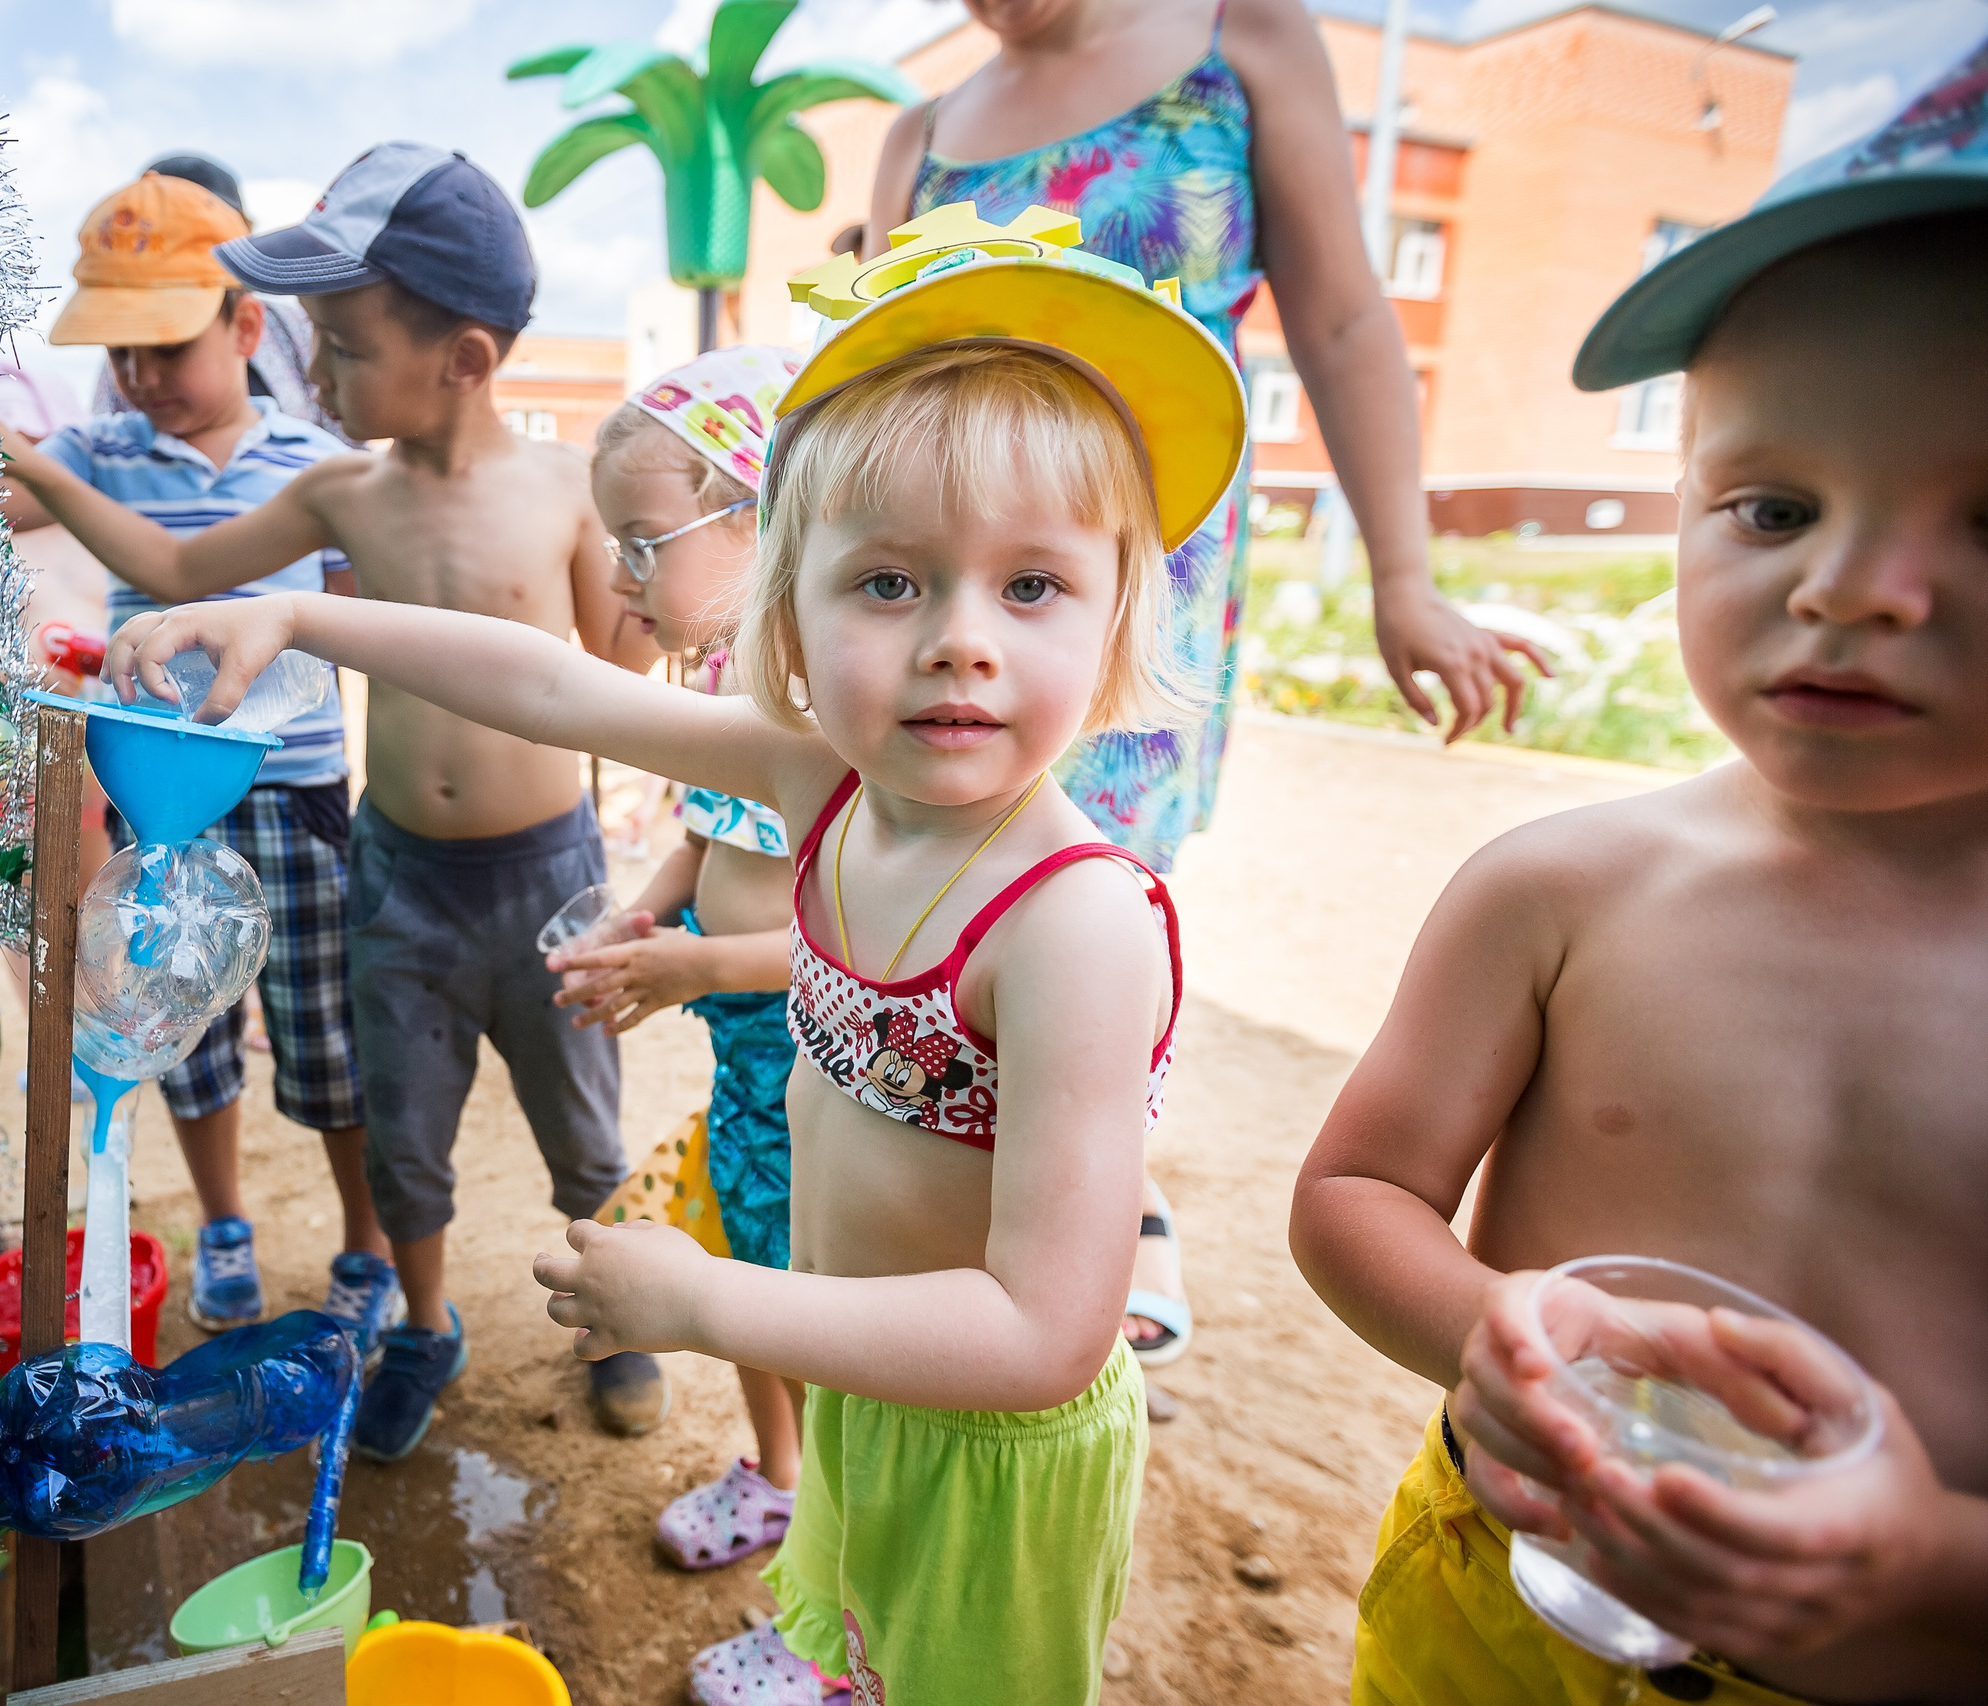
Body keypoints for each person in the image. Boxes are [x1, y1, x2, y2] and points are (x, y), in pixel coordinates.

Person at [108, 206, 1239, 1706]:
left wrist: (705, 1301)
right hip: (865, 1381)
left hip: (991, 1447)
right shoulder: (821, 776)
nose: (959, 640)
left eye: (1030, 586)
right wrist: (307, 610)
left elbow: (1041, 1330)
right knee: (865, 1630)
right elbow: (554, 682)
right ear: (794, 600)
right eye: (888, 580)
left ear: (1113, 626)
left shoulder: (1076, 922)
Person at [1290, 58, 1988, 1704]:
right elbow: (1354, 1198)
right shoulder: (1560, 889)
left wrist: (1925, 1562)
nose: (1851, 588)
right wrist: (1492, 1327)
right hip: (1500, 1606)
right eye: (1774, 503)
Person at [867, 0, 1554, 1363]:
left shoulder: (1239, 44)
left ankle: (1094, 1204)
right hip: (947, 581)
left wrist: (1403, 576)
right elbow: (875, 372)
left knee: (1077, 889)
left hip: (1135, 594)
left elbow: (1352, 319)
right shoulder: (921, 132)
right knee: (938, 865)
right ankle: (984, 1200)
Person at [0, 142, 665, 1458]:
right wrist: (57, 475)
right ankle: (425, 1320)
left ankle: (623, 1310)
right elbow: (183, 561)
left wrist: (660, 559)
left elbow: (626, 656)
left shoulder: (560, 488)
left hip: (550, 872)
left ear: (463, 359)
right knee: (405, 1134)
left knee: (584, 1128)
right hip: (399, 873)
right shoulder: (339, 490)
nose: (321, 373)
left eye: (347, 347)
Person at [0, 170, 399, 1342]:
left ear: (247, 325)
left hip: (298, 796)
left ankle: (363, 1243)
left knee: (328, 1039)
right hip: (161, 805)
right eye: (121, 353)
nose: (143, 378)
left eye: (167, 346)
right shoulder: (103, 448)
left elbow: (362, 599)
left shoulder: (310, 462)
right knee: (186, 1031)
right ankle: (225, 1222)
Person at [544, 347, 808, 1569]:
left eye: (642, 539)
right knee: (756, 1256)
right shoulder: (715, 676)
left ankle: (837, 1528)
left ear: (759, 516)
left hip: (824, 1070)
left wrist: (698, 969)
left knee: (816, 1286)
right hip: (750, 1067)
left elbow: (861, 952)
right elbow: (708, 838)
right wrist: (644, 920)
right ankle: (780, 1474)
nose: (616, 572)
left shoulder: (822, 697)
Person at [90, 152, 344, 443]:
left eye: (173, 349)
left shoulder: (294, 327)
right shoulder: (130, 359)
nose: (143, 376)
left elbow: (344, 439)